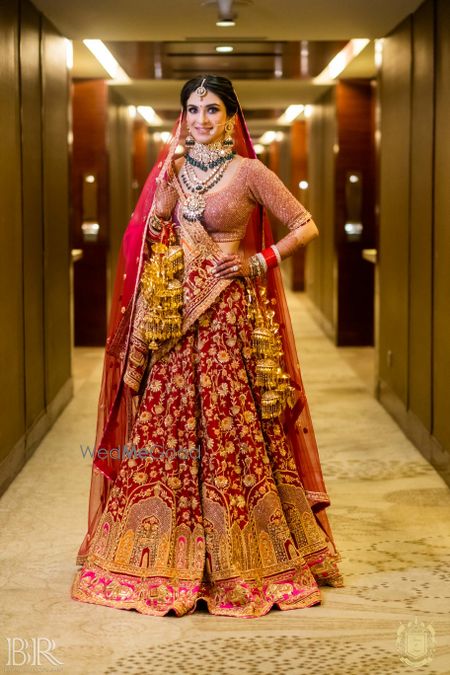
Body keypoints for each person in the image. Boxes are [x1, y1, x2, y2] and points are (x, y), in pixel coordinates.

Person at [71, 74, 344, 618]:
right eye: (193, 109)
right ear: (183, 116)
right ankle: (158, 550)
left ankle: (241, 554)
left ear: (230, 116)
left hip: (227, 318)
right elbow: (150, 244)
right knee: (167, 426)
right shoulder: (168, 171)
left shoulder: (249, 172)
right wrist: (162, 210)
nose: (201, 119)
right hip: (175, 318)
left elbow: (305, 225)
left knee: (229, 424)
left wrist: (257, 261)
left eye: (212, 109)